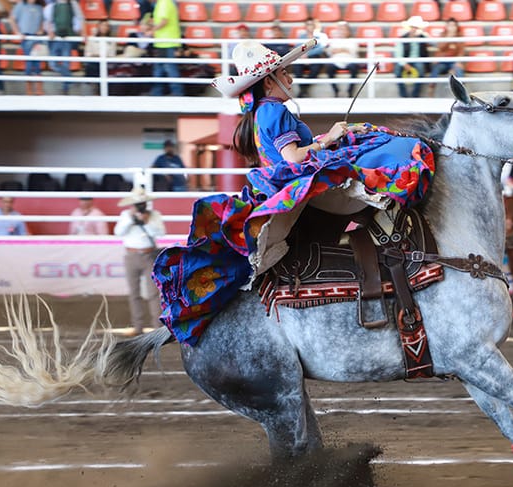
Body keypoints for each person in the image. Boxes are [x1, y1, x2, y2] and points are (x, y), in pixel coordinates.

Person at [152, 39, 434, 346]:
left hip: (288, 181)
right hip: (299, 183)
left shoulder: (263, 112)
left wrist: (335, 135)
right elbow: (294, 158)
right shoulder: (275, 111)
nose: (290, 78)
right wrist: (330, 140)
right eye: (285, 73)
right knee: (388, 155)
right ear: (269, 82)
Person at [114, 187, 165, 336]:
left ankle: (158, 327)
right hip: (131, 255)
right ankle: (138, 327)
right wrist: (131, 219)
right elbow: (118, 232)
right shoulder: (125, 215)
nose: (140, 206)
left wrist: (146, 223)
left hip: (149, 254)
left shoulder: (154, 216)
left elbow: (160, 232)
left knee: (153, 293)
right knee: (134, 293)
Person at [43, 0, 83, 95]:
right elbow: (47, 21)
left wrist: (79, 31)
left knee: (65, 64)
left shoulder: (72, 4)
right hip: (55, 38)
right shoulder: (52, 6)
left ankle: (66, 88)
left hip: (67, 37)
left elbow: (79, 19)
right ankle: (70, 79)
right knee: (52, 64)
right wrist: (50, 31)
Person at [8, 0, 46, 95]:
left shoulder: (39, 7)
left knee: (37, 63)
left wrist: (41, 30)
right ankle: (29, 88)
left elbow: (42, 21)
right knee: (29, 63)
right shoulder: (20, 5)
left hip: (36, 38)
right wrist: (17, 32)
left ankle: (38, 88)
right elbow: (12, 19)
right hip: (26, 37)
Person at [148, 0, 183, 96]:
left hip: (167, 42)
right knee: (160, 70)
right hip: (162, 42)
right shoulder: (161, 3)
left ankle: (177, 94)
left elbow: (164, 21)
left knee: (169, 70)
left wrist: (152, 30)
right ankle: (157, 94)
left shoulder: (164, 2)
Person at [427, 18, 464, 98]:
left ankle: (462, 93)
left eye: (453, 25)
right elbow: (440, 47)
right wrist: (448, 38)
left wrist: (458, 62)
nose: (452, 27)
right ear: (446, 26)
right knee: (436, 69)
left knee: (458, 69)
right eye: (450, 25)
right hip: (442, 60)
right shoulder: (443, 35)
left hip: (453, 61)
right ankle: (431, 91)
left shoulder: (460, 36)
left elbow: (461, 51)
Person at [292, 17, 328, 97]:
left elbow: (320, 49)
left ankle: (303, 89)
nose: (310, 26)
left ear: (315, 26)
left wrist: (308, 54)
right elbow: (297, 47)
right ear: (305, 26)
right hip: (302, 57)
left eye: (311, 24)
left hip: (314, 57)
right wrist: (303, 55)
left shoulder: (320, 36)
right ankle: (303, 90)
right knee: (297, 66)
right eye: (308, 24)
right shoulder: (301, 36)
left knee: (316, 66)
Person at [395, 16, 430, 99]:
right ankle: (404, 96)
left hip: (418, 60)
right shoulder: (402, 38)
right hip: (405, 59)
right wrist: (404, 64)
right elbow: (398, 54)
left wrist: (424, 34)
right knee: (397, 72)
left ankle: (415, 95)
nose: (414, 29)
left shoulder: (423, 37)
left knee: (421, 72)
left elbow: (434, 43)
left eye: (416, 28)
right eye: (413, 27)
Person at [325, 21, 359, 98]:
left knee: (354, 67)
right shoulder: (334, 40)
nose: (342, 31)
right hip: (336, 61)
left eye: (344, 29)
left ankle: (350, 92)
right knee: (329, 68)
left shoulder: (353, 40)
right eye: (340, 29)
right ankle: (336, 91)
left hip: (349, 61)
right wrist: (344, 49)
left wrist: (338, 50)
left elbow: (353, 51)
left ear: (348, 31)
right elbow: (330, 51)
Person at [82, 19, 115, 95]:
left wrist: (104, 57)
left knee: (105, 67)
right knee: (92, 66)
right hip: (94, 61)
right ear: (98, 27)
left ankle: (100, 89)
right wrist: (96, 56)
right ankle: (96, 88)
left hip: (106, 62)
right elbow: (87, 53)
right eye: (102, 25)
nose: (104, 27)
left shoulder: (112, 41)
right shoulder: (92, 39)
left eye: (106, 26)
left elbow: (112, 55)